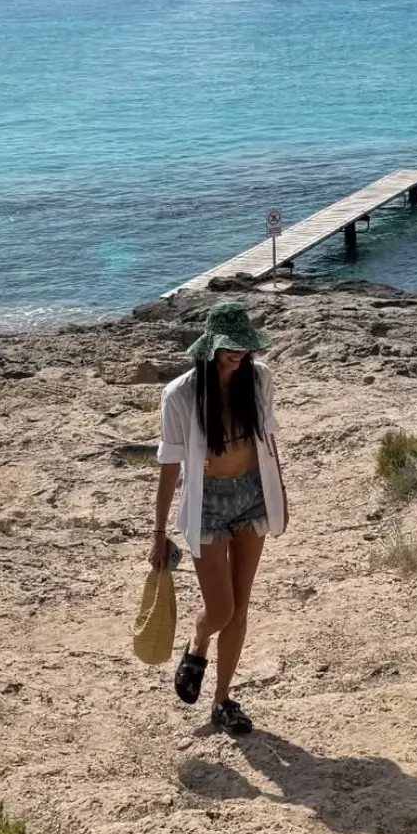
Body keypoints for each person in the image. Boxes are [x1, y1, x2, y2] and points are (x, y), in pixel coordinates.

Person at [151, 302, 287, 735]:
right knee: (221, 610)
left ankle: (223, 700)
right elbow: (169, 465)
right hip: (206, 502)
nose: (238, 353)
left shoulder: (259, 378)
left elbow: (268, 440)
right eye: (230, 346)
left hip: (252, 495)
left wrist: (279, 494)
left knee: (240, 609)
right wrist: (158, 532)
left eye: (244, 345)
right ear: (210, 346)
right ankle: (198, 639)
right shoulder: (180, 395)